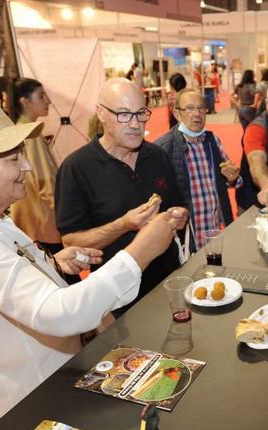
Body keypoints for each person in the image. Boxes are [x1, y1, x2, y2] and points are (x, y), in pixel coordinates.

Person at [0, 96, 185, 421]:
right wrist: (141, 250)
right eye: (14, 159)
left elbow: (6, 284)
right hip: (30, 404)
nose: (26, 167)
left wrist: (53, 265)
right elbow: (58, 314)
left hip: (46, 387)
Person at [55, 78, 188, 303]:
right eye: (124, 114)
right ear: (100, 113)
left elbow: (178, 206)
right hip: (118, 296)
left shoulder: (157, 156)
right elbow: (70, 242)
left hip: (170, 281)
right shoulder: (76, 168)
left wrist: (179, 215)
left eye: (141, 113)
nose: (136, 124)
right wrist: (123, 225)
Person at [155, 89, 241, 250]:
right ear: (176, 113)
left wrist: (232, 177)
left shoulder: (212, 141)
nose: (197, 113)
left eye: (201, 108)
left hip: (215, 230)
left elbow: (230, 178)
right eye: (189, 108)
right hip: (186, 237)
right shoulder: (163, 148)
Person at [9, 78, 63, 256]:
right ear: (25, 102)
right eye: (41, 96)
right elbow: (45, 181)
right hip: (43, 222)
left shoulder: (19, 130)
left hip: (29, 221)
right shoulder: (31, 134)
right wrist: (65, 213)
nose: (48, 101)